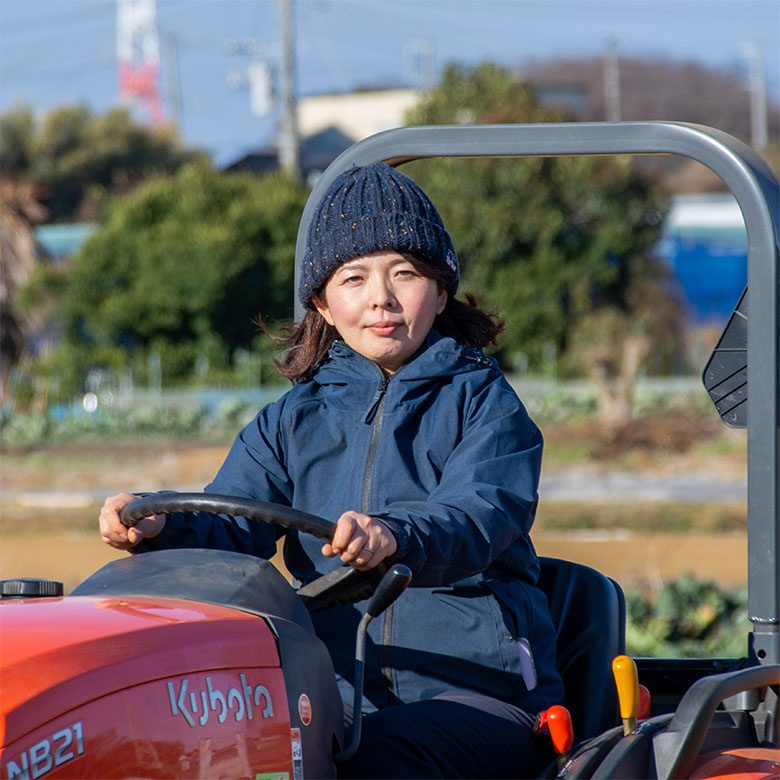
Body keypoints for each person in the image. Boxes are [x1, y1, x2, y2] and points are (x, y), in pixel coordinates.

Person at [99, 162, 565, 779]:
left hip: (482, 696)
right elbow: (232, 524)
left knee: (372, 758)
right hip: (333, 693)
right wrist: (161, 522)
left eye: (406, 272)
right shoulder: (292, 419)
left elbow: (480, 513)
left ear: (442, 290)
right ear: (322, 301)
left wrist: (394, 534)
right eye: (354, 278)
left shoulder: (484, 403)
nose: (382, 297)